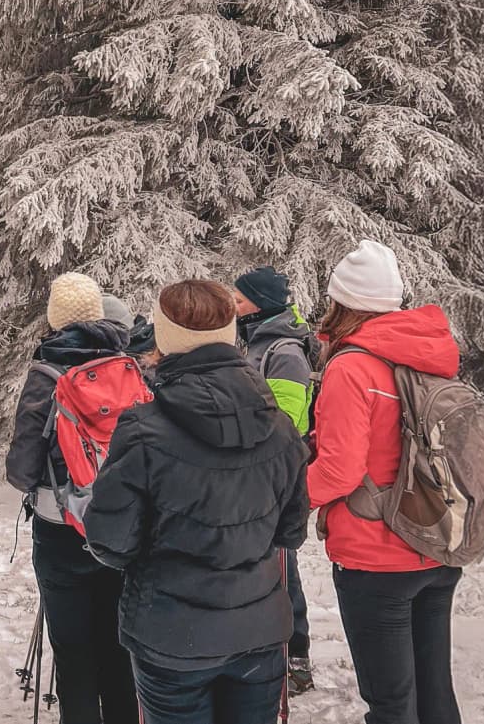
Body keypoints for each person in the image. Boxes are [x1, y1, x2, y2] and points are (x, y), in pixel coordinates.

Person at [83, 280, 310, 724]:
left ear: (166, 339)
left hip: (171, 634)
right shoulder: (281, 428)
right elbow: (290, 531)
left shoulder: (142, 430)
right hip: (258, 630)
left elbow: (110, 542)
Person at [308, 240, 464, 724]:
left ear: (342, 302)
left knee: (391, 703)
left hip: (377, 557)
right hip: (436, 542)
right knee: (435, 694)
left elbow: (340, 470)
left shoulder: (352, 367)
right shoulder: (428, 354)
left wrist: (280, 498)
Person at [6, 272, 139, 724]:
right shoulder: (126, 367)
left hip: (61, 529)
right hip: (122, 527)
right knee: (118, 647)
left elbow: (21, 469)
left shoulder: (46, 373)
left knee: (74, 652)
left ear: (55, 318)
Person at [233, 266, 316, 694]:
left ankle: (295, 653)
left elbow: (284, 423)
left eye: (240, 297)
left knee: (284, 565)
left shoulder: (282, 351)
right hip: (258, 477)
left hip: (277, 477)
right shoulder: (257, 343)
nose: (234, 303)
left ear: (260, 303)